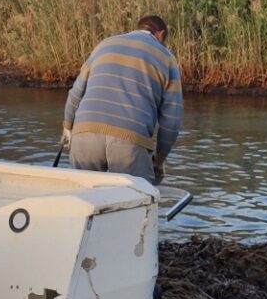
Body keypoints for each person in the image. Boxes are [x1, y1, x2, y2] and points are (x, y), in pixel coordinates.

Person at [61, 15, 183, 185]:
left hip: (84, 135)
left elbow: (75, 93)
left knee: (83, 199)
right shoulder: (167, 58)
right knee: (137, 203)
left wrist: (68, 127)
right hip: (130, 140)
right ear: (161, 35)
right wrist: (160, 159)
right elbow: (172, 119)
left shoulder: (105, 44)